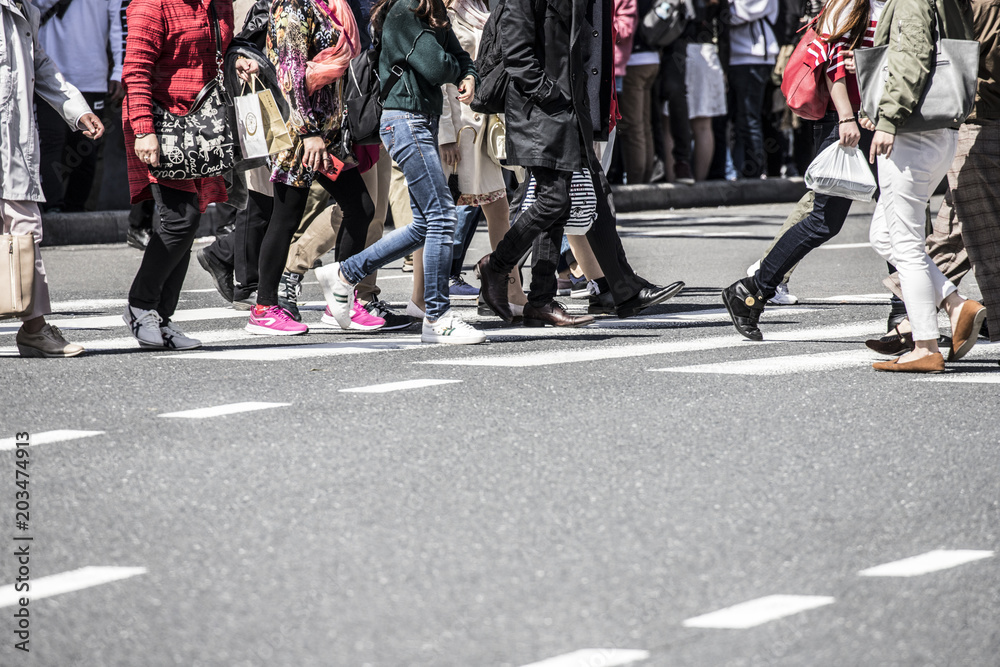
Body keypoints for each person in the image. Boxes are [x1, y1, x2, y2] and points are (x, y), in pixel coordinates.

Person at [315, 0, 488, 344]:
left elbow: (460, 58)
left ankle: (345, 274)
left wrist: (468, 72)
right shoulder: (404, 10)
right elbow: (437, 67)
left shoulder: (431, 11)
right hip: (405, 121)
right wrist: (459, 70)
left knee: (426, 222)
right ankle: (437, 317)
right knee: (441, 216)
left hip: (419, 120)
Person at [721, 0, 883, 339]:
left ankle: (906, 314)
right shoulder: (850, 5)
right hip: (847, 122)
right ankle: (752, 289)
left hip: (877, 119)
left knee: (898, 213)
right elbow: (834, 65)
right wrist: (848, 117)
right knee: (824, 220)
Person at [122, 0, 257, 349]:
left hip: (202, 126)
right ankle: (141, 305)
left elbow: (221, 50)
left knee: (189, 217)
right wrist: (143, 130)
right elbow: (136, 70)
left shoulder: (218, 4)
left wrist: (237, 60)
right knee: (179, 218)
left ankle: (162, 318)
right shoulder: (152, 5)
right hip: (162, 124)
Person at [867, 0, 1000, 352]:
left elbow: (914, 55)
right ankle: (953, 308)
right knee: (896, 235)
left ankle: (925, 339)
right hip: (951, 122)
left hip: (936, 124)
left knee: (917, 241)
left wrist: (889, 116)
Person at [2, 0, 104, 357]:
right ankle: (35, 329)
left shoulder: (24, 9)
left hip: (11, 145)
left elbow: (39, 64)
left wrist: (77, 110)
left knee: (25, 230)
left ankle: (34, 328)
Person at [35, 0, 123, 213]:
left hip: (91, 75)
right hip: (49, 76)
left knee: (86, 149)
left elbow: (118, 24)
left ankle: (76, 209)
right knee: (50, 143)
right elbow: (32, 10)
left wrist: (119, 69)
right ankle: (52, 207)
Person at [727, 0, 779, 179]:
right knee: (738, 119)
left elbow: (739, 13)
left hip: (752, 56)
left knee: (749, 118)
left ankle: (754, 172)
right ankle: (739, 168)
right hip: (735, 56)